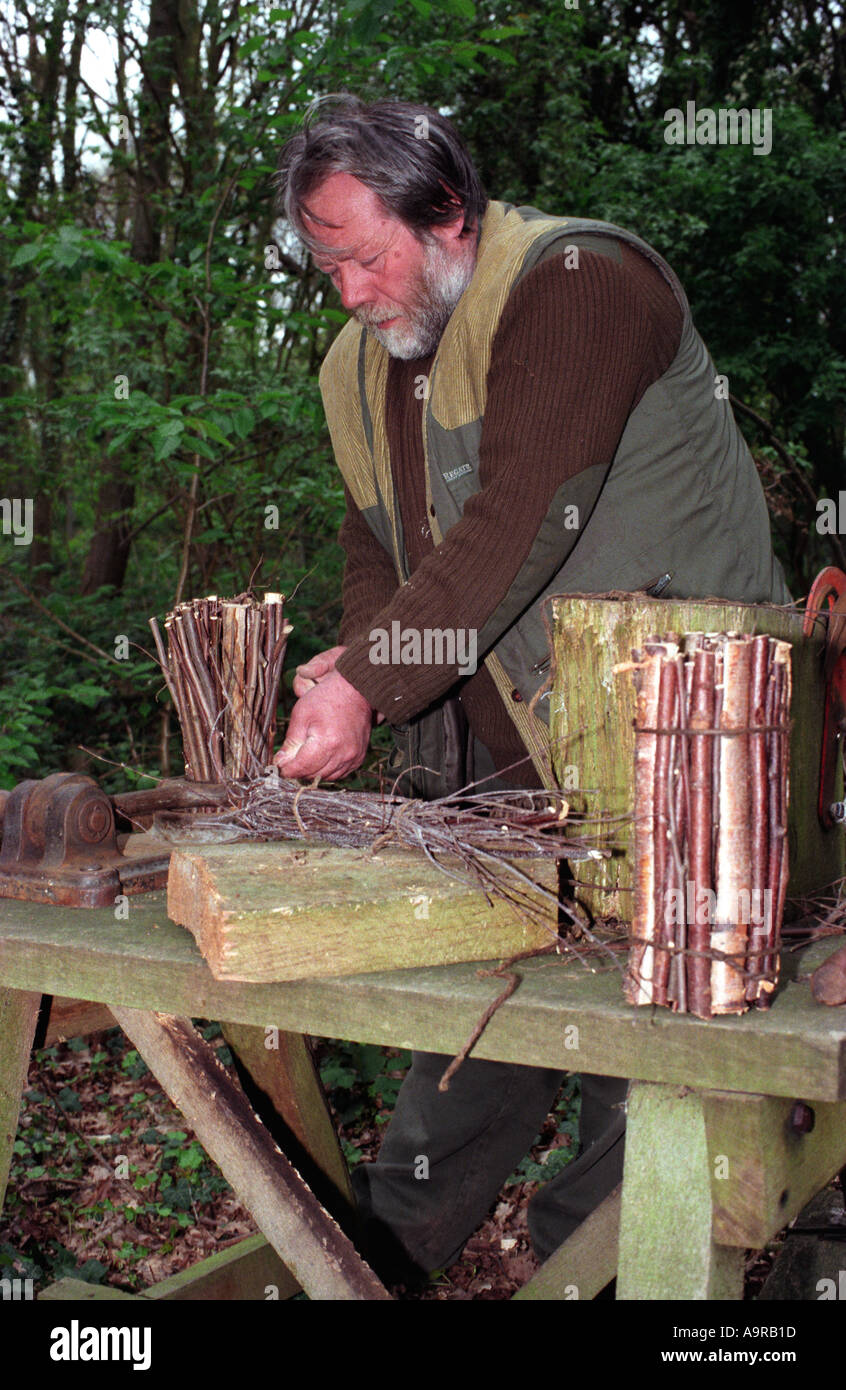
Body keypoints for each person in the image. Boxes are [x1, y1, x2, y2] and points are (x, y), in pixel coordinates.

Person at [272, 94, 791, 1285]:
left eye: (363, 255)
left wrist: (368, 683)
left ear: (446, 208)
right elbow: (379, 554)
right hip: (506, 795)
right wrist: (355, 671)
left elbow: (519, 520)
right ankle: (370, 1263)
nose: (348, 291)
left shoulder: (580, 285)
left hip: (684, 759)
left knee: (646, 1076)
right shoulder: (359, 366)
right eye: (326, 265)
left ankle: (593, 1273)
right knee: (466, 1050)